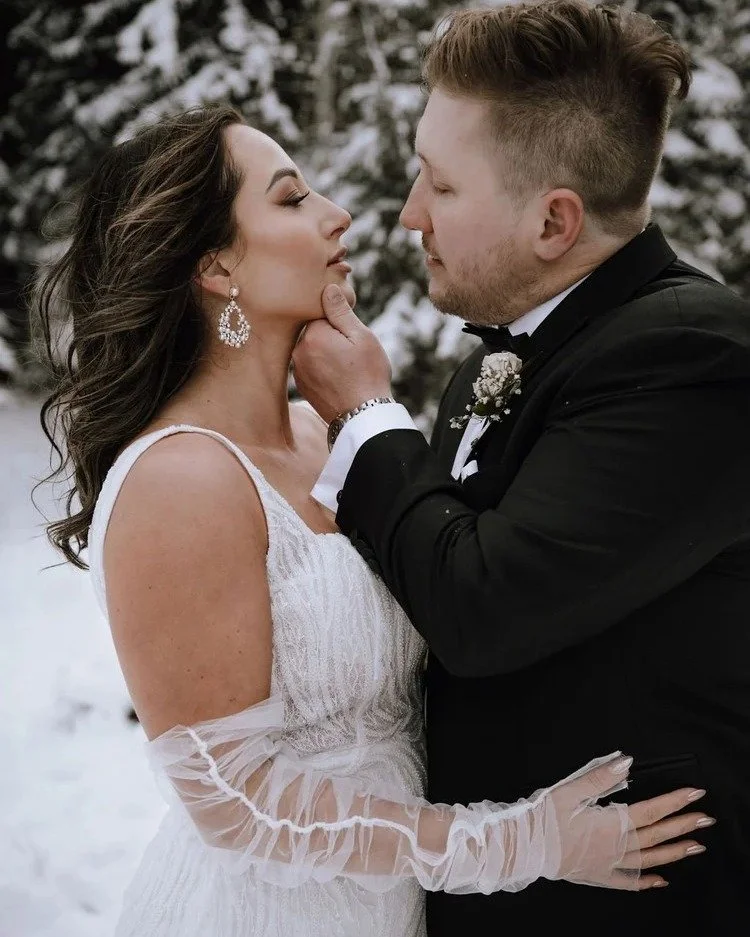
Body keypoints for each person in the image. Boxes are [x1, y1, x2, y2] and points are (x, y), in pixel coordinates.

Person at [34, 102, 707, 937]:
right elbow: (234, 799)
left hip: (395, 909)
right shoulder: (181, 477)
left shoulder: (326, 439)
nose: (338, 214)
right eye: (290, 199)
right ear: (215, 266)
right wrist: (522, 840)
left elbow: (471, 591)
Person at [291, 3, 750, 935]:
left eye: (441, 186)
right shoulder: (509, 356)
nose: (410, 213)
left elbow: (482, 604)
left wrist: (366, 414)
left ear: (554, 221)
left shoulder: (692, 356)